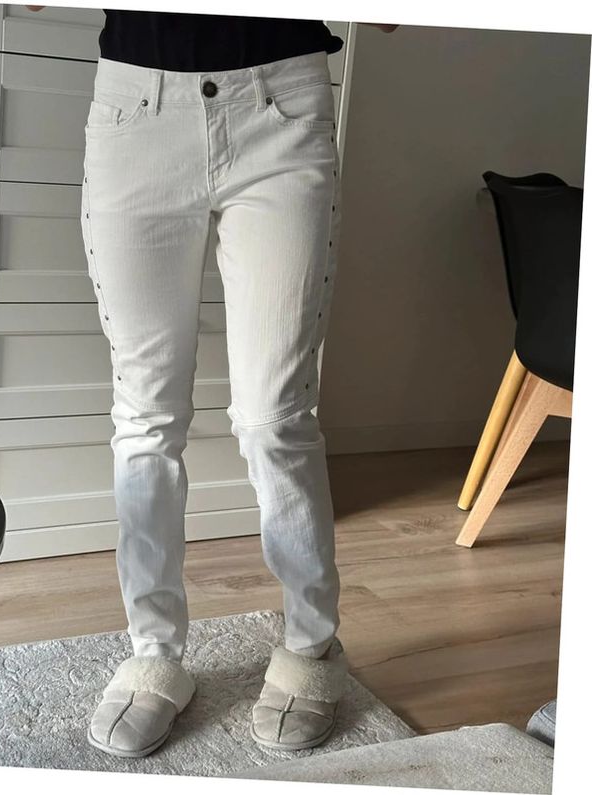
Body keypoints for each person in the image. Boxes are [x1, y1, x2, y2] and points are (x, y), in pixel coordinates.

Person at [27, 5, 398, 759]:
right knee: (144, 415)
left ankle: (311, 645)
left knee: (275, 418)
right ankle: (153, 652)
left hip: (281, 106)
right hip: (136, 110)